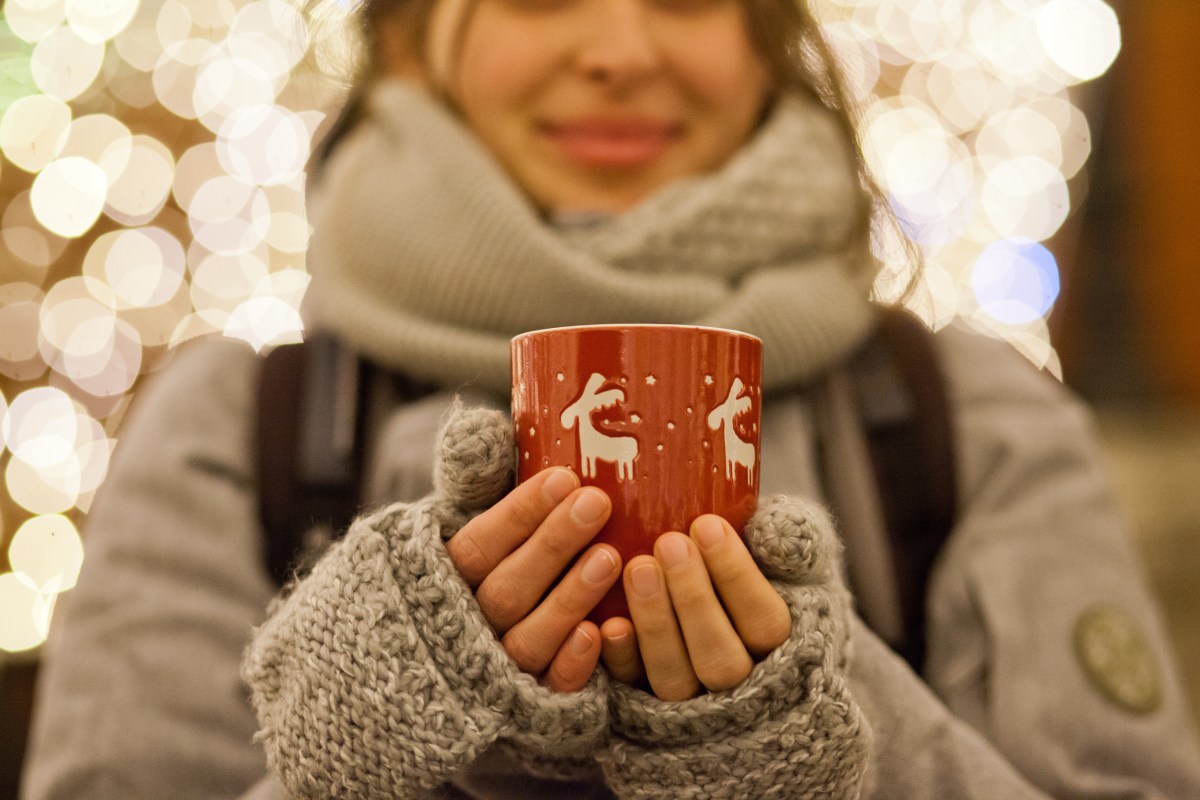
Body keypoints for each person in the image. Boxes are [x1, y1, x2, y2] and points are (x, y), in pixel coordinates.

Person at [19, 0, 1200, 798]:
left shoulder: (972, 416)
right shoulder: (235, 426)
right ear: (418, 39)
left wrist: (824, 734)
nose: (620, 47)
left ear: (761, 37)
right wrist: (354, 746)